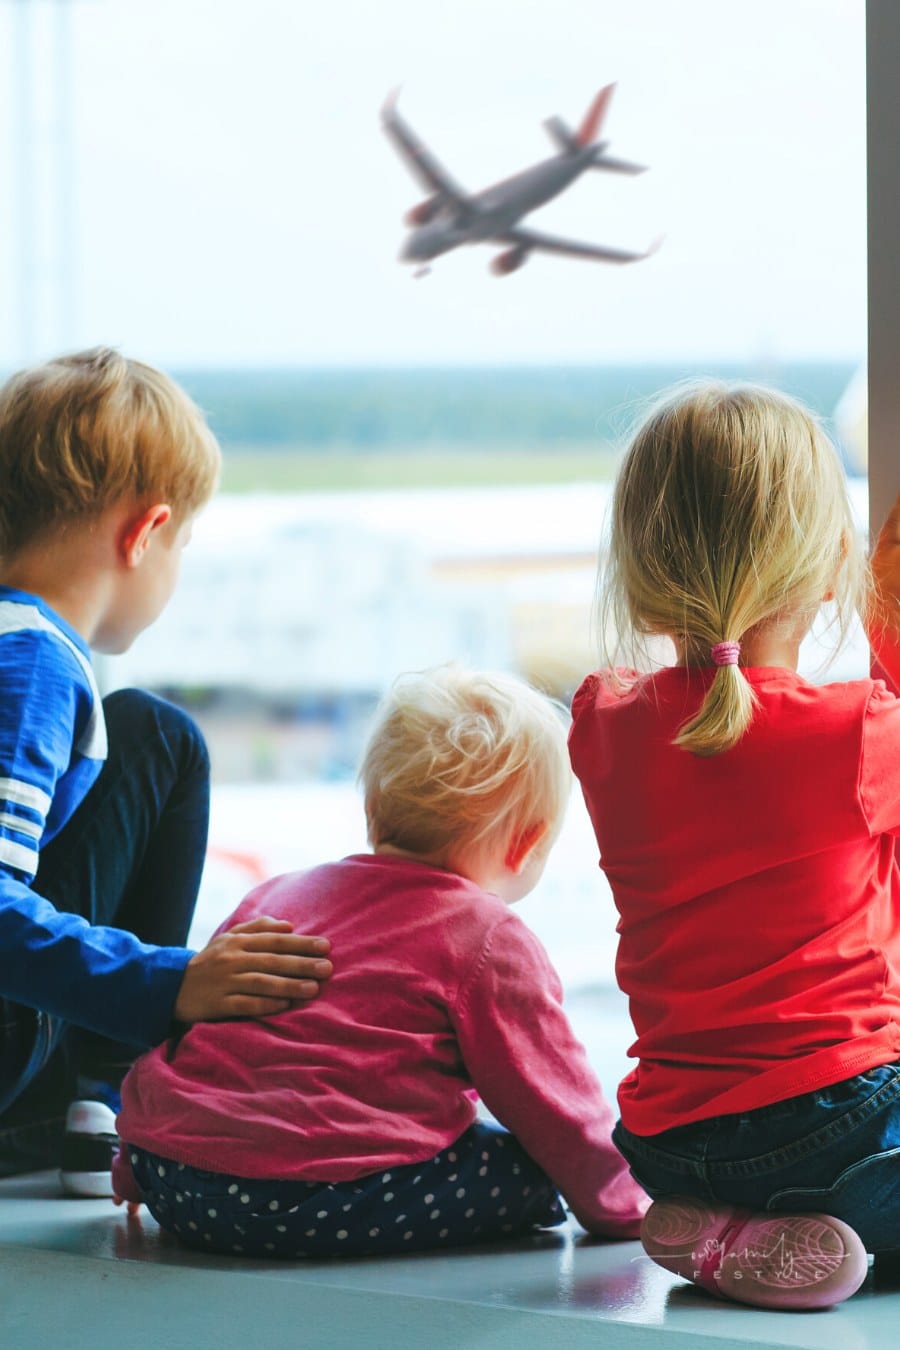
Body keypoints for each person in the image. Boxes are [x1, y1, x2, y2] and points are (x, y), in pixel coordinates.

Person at [112, 665, 648, 1257]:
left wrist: (136, 1164)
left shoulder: (277, 895)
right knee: (532, 1168)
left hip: (174, 1178)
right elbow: (557, 1107)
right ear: (527, 844)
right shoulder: (487, 936)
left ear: (372, 806)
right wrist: (621, 1207)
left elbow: (197, 1039)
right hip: (304, 1200)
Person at [569, 380, 900, 1311]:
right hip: (844, 1129)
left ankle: (732, 1234)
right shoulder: (857, 733)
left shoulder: (603, 722)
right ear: (832, 567)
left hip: (669, 1143)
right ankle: (800, 1223)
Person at [0, 348, 332, 1196]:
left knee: (138, 733)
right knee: (161, 740)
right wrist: (172, 982)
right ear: (143, 534)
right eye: (182, 543)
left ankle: (75, 1104)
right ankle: (104, 1096)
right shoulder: (32, 662)